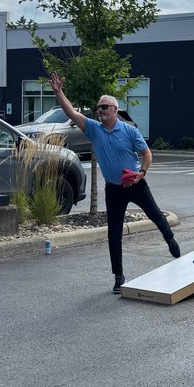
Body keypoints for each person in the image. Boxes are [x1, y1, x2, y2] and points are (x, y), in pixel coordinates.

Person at [48, 74, 180, 294]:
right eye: (98, 107)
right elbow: (72, 112)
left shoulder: (129, 131)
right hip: (114, 189)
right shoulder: (93, 129)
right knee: (114, 233)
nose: (100, 110)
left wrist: (142, 172)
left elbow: (146, 153)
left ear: (115, 110)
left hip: (136, 184)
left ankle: (170, 239)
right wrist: (58, 92)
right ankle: (119, 277)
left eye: (105, 107)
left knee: (156, 215)